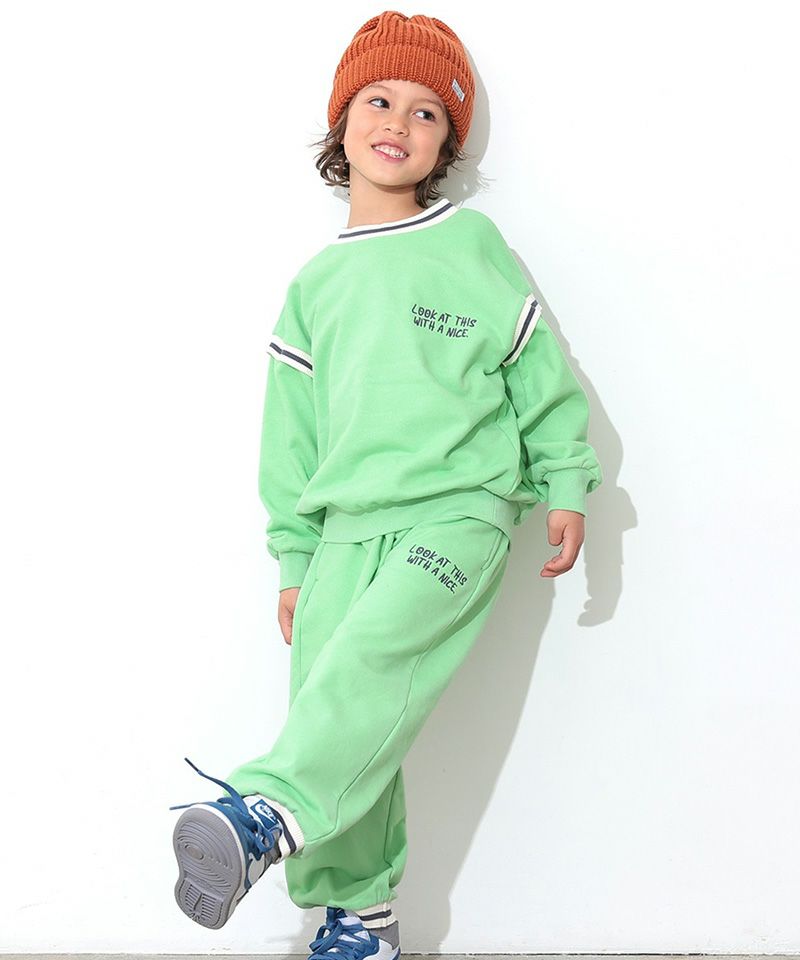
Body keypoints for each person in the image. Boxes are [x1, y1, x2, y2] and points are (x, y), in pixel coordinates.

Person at [168, 10, 603, 958]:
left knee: (368, 667)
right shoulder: (313, 286)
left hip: (458, 511)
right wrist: (295, 559)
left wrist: (567, 480)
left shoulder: (472, 246)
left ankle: (265, 811)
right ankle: (358, 922)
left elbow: (539, 375)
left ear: (447, 143)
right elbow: (290, 441)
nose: (398, 122)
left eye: (426, 112)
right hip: (340, 535)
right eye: (378, 100)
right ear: (342, 122)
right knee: (340, 709)